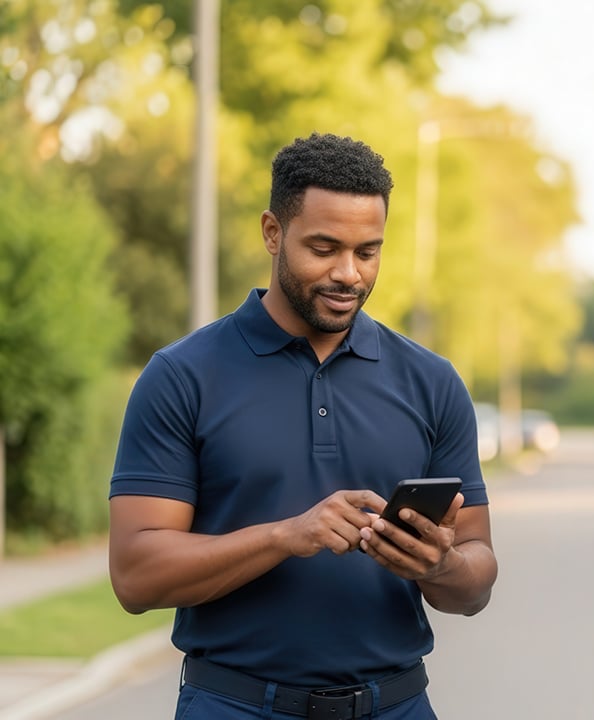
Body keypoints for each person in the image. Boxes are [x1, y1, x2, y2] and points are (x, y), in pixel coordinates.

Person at [109, 132, 497, 720]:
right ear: (272, 232)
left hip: (396, 705)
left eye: (368, 251)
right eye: (324, 247)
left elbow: (477, 577)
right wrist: (287, 536)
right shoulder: (181, 376)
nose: (349, 274)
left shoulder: (432, 381)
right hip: (234, 707)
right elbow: (136, 577)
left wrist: (440, 565)